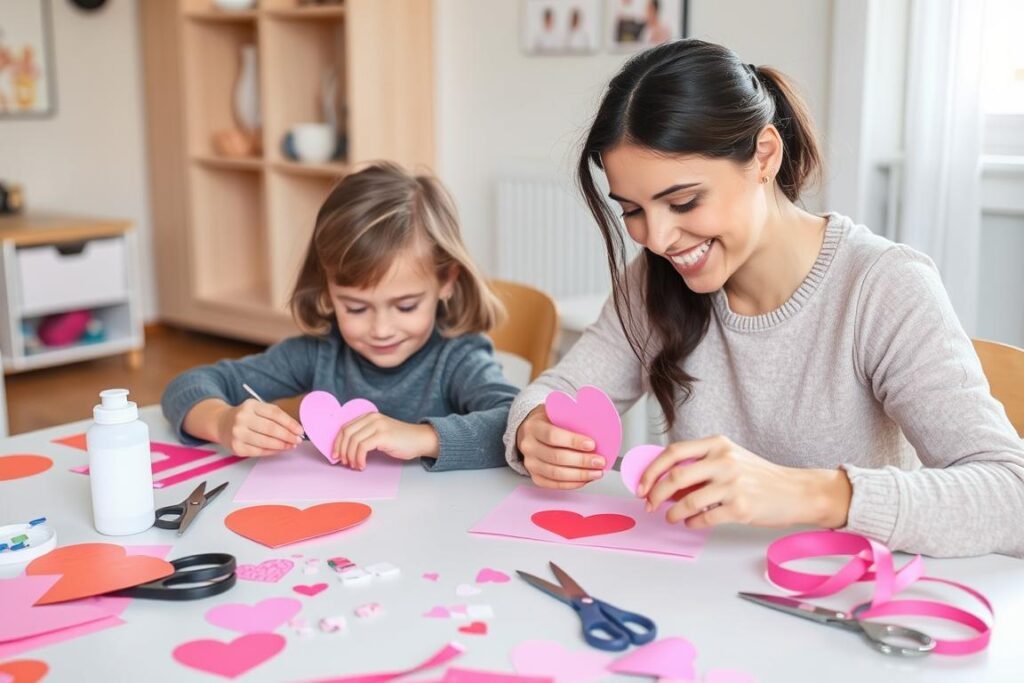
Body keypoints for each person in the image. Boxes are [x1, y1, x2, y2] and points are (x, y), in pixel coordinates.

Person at [504, 39, 1024, 557]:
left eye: (683, 201)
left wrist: (811, 493)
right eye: (633, 211)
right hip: (699, 597)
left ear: (765, 156)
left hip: (838, 607)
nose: (658, 239)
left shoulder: (882, 286)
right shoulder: (654, 280)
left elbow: (1011, 497)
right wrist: (535, 427)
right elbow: (561, 389)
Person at [163, 162, 519, 472]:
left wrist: (422, 437)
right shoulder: (320, 353)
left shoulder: (458, 358)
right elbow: (188, 385)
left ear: (447, 282)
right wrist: (222, 421)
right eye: (356, 308)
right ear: (328, 291)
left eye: (406, 306)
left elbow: (515, 423)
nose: (381, 329)